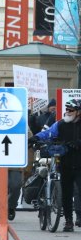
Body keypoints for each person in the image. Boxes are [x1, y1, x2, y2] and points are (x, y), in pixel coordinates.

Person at [30, 99, 81, 231]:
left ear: (79, 112)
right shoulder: (61, 124)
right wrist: (36, 137)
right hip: (64, 163)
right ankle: (68, 221)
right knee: (66, 193)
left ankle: (79, 217)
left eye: (71, 110)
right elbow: (48, 133)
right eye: (67, 109)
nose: (67, 112)